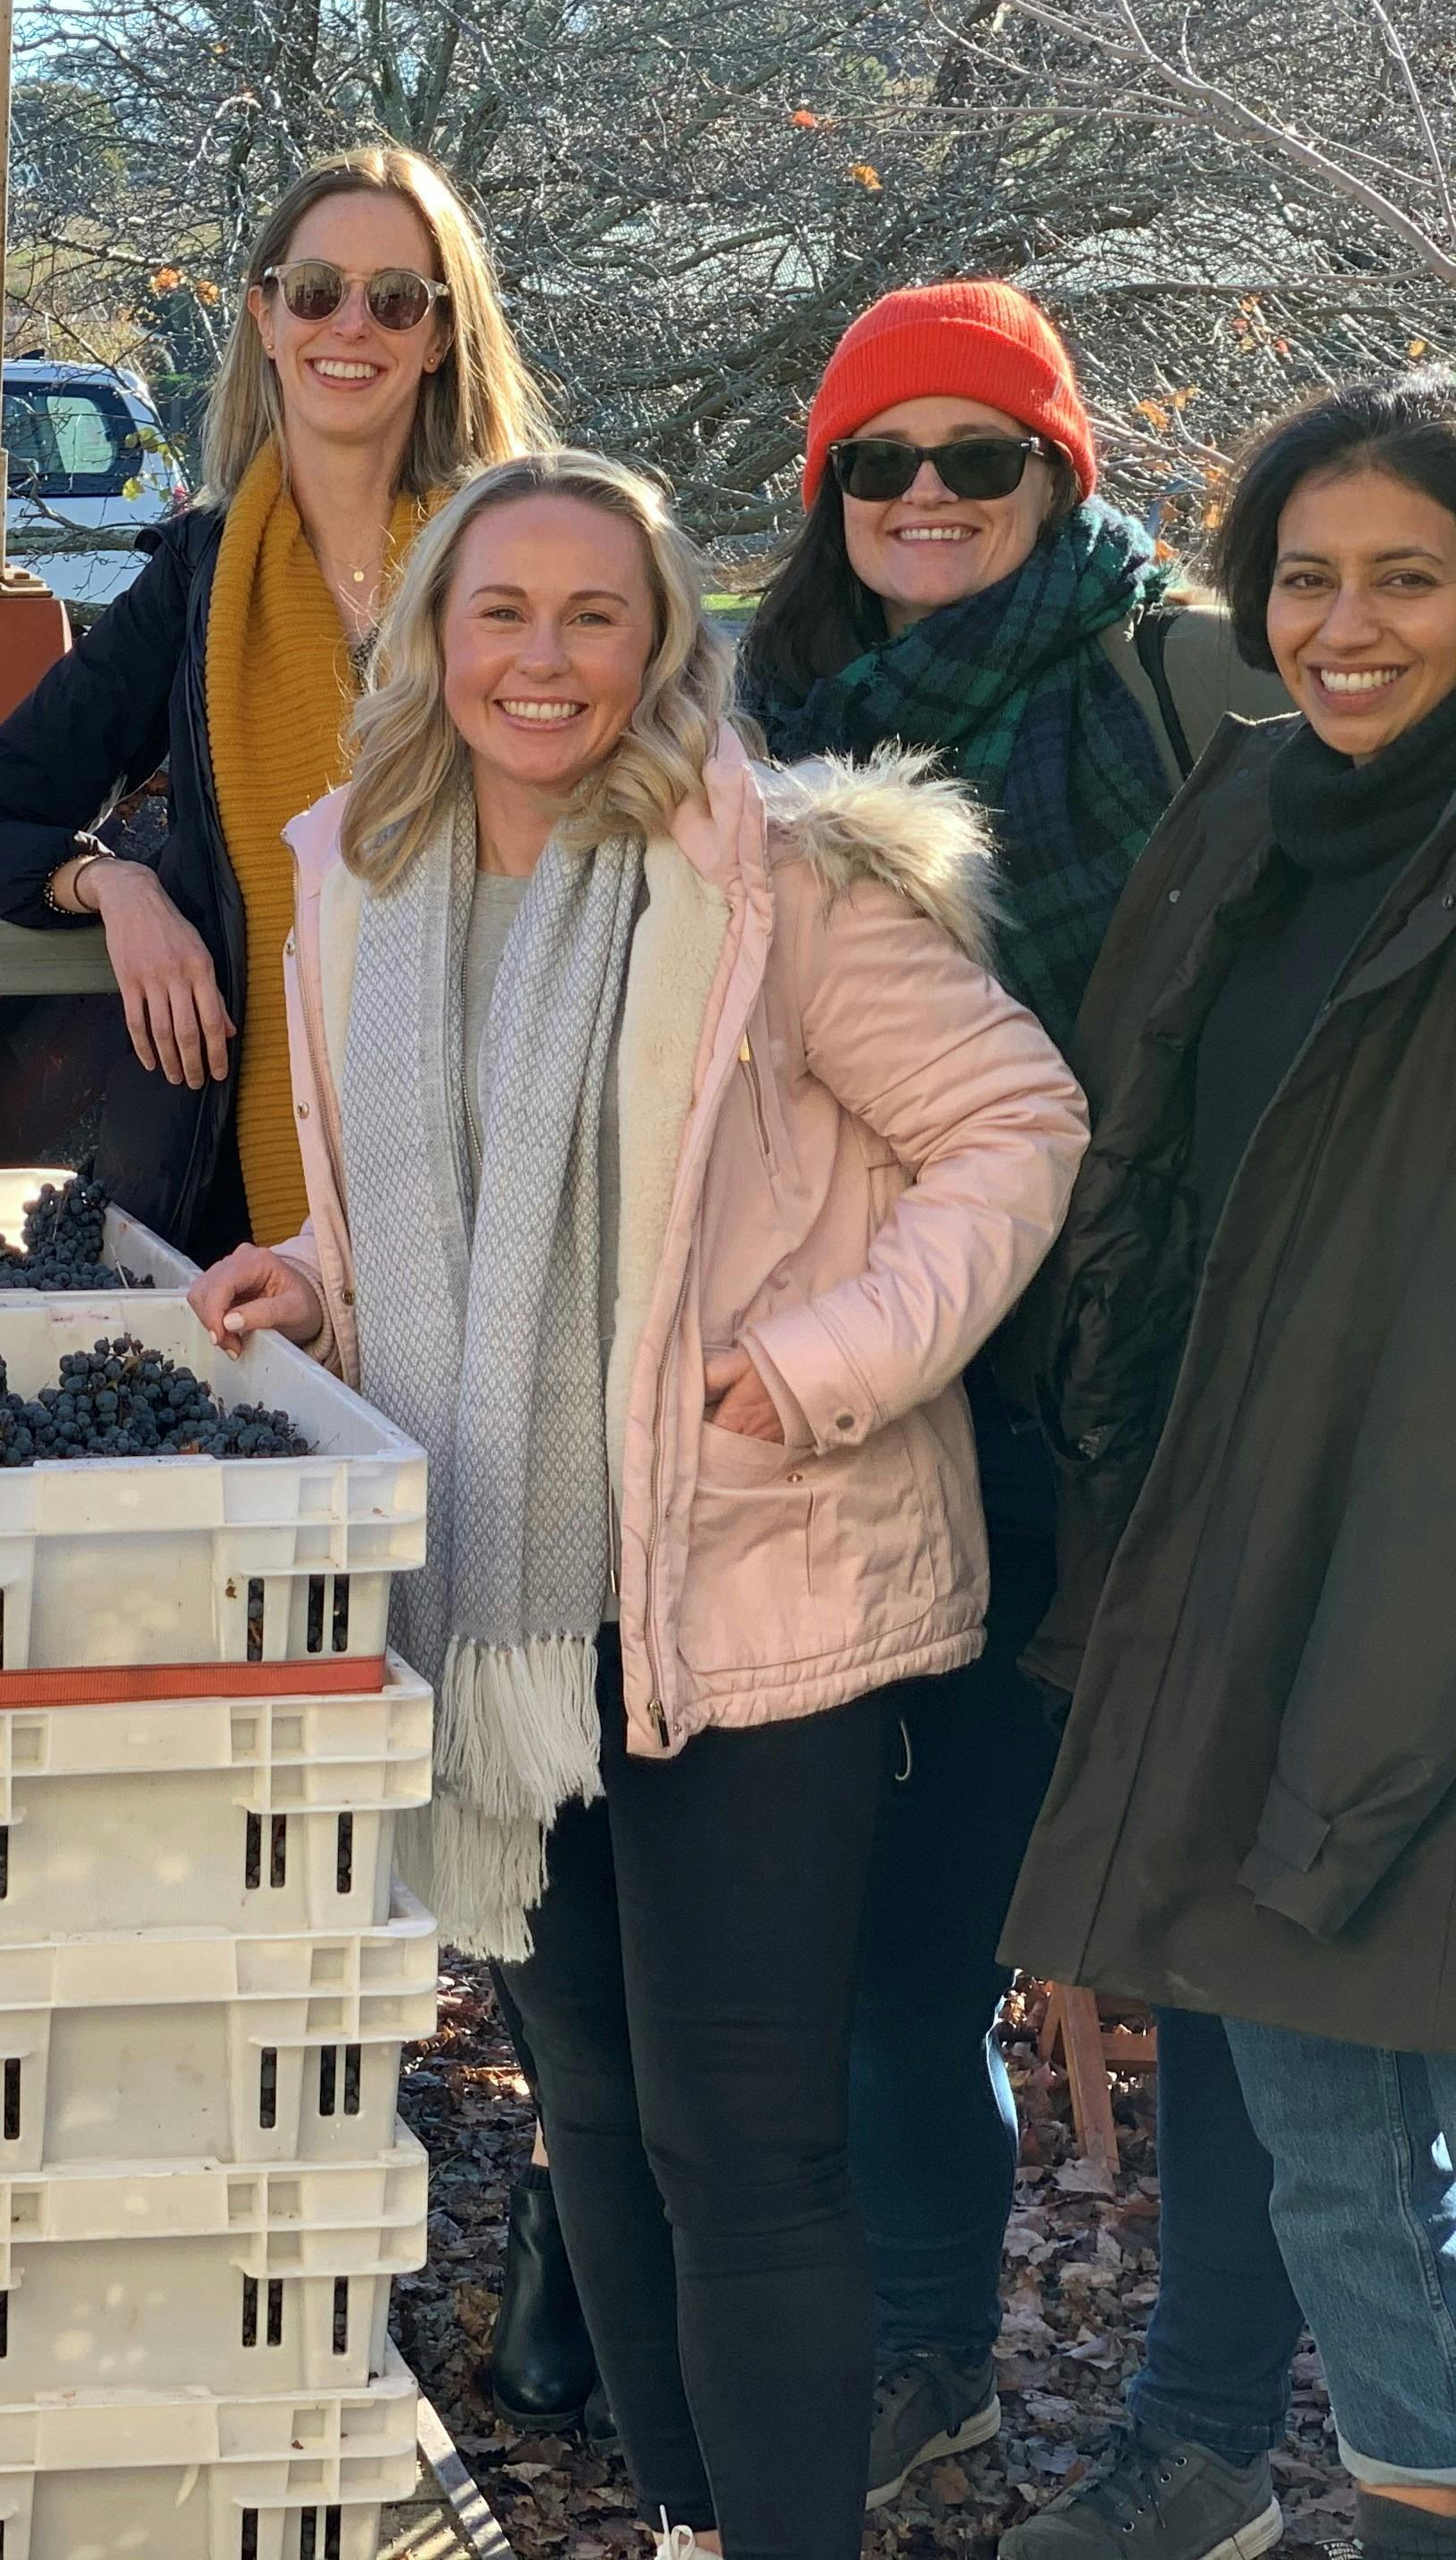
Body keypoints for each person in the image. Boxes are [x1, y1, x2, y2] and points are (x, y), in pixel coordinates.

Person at [191, 450, 1087, 2557]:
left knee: (740, 2138)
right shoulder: (374, 876)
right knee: (586, 2113)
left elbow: (1016, 1120)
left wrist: (828, 1360)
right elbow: (469, 1188)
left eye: (599, 616)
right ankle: (689, 2520)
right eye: (505, 611)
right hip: (507, 1588)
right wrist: (321, 1269)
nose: (546, 659)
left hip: (743, 1584)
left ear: (663, 646)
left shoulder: (774, 878)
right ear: (434, 638)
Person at [736, 280, 1307, 2531]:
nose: (931, 498)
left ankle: (1198, 2429)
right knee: (910, 1934)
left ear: (1062, 475)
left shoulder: (1183, 683)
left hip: (1184, 1402)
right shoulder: (760, 729)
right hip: (924, 1410)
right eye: (885, 463)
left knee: (1214, 1945)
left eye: (984, 458)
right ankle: (925, 2355)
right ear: (829, 497)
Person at [1008, 369, 1456, 2560]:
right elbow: (1145, 1144)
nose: (1346, 625)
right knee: (1307, 2076)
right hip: (1228, 1517)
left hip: (1408, 1555)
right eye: (1308, 578)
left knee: (1342, 2076)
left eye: (1409, 580)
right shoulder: (1252, 807)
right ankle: (1250, 2468)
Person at [0, 142, 550, 1264]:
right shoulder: (197, 587)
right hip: (260, 1203)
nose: (350, 326)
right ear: (266, 317)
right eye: (316, 292)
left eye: (395, 300)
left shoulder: (527, 562)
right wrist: (114, 884)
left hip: (519, 1146)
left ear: (442, 336)